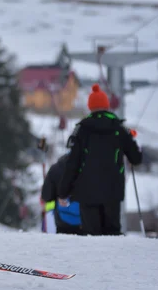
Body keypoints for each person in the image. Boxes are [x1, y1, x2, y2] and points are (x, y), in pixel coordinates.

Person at [59, 84, 142, 236]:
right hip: (112, 191)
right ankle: (114, 260)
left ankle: (92, 260)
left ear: (90, 107)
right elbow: (136, 158)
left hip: (87, 192)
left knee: (91, 237)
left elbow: (72, 164)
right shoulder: (119, 129)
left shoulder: (82, 130)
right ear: (107, 106)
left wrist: (63, 191)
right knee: (112, 234)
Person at [40, 154, 82, 235]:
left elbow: (47, 196)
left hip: (63, 221)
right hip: (86, 219)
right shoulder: (89, 166)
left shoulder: (55, 169)